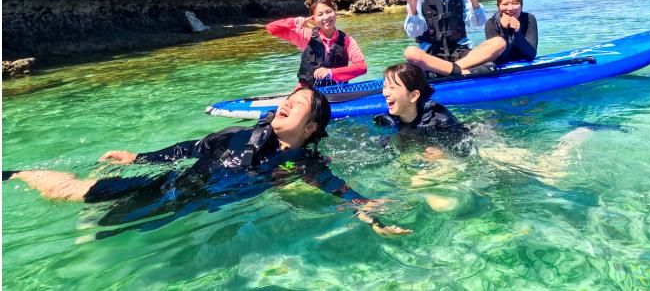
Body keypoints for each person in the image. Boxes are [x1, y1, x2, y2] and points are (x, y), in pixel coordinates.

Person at [4, 88, 409, 237]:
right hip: (171, 185)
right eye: (287, 99)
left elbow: (334, 185)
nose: (286, 104)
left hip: (189, 203)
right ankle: (18, 172)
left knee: (98, 229)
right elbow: (191, 148)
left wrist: (367, 209)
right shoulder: (244, 134)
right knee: (75, 194)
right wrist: (139, 157)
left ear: (311, 128)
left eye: (297, 105)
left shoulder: (302, 161)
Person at [374, 63, 472, 158]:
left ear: (413, 96)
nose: (385, 93)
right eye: (385, 86)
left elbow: (465, 148)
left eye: (392, 87)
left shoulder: (440, 121)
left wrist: (444, 155)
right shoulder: (387, 120)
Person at [266, 0, 367, 88]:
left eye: (329, 11)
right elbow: (271, 28)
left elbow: (362, 67)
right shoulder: (305, 35)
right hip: (307, 91)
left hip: (336, 92)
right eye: (320, 14)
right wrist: (294, 22)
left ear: (335, 13)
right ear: (313, 19)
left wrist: (330, 72)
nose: (326, 17)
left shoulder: (347, 41)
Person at [484, 0, 538, 66]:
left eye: (515, 3)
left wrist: (518, 32)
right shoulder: (491, 24)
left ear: (521, 5)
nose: (510, 8)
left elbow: (531, 55)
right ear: (498, 6)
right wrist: (504, 30)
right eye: (505, 4)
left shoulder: (529, 19)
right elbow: (500, 58)